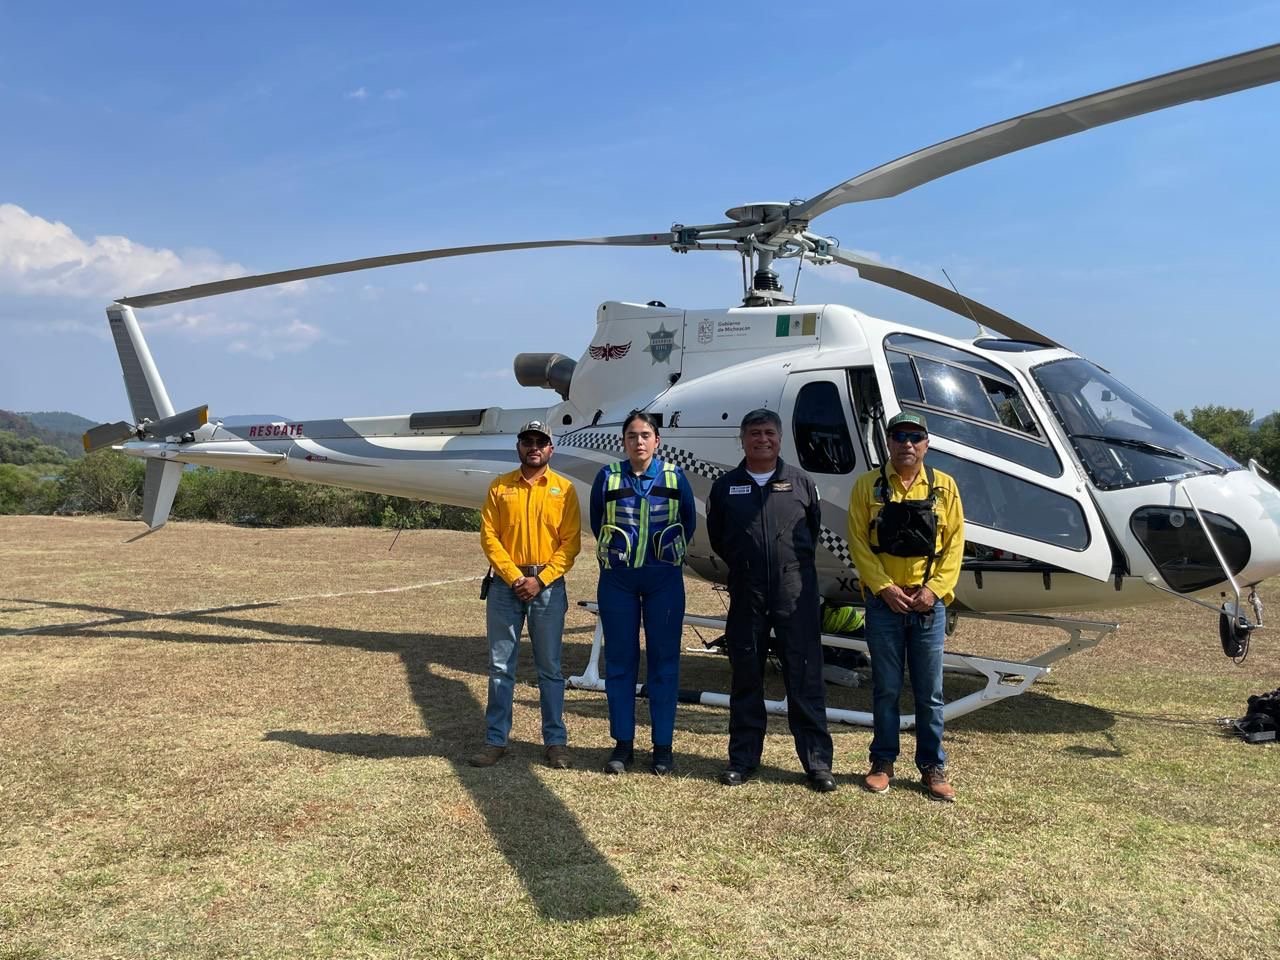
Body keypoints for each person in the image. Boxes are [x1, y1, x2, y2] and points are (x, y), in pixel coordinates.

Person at [707, 409, 836, 792]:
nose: (762, 439)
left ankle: (817, 764)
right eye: (754, 433)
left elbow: (811, 529)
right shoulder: (726, 486)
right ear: (742, 439)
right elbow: (719, 537)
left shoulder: (801, 482)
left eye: (769, 433)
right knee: (746, 675)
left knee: (805, 675)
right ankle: (742, 760)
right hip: (748, 590)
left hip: (795, 590)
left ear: (779, 438)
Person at [847, 411, 964, 802]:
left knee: (930, 691)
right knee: (886, 688)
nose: (907, 444)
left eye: (915, 437)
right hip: (885, 605)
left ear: (927, 444)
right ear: (888, 442)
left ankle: (932, 766)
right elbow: (858, 542)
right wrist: (883, 588)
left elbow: (955, 545)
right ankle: (882, 762)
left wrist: (934, 590)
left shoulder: (945, 487)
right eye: (899, 437)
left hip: (928, 605)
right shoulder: (867, 486)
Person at [469, 419, 582, 769]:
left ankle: (555, 742)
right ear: (518, 446)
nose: (534, 447)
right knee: (500, 666)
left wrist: (541, 579)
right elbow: (490, 537)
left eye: (540, 442)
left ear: (551, 448)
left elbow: (570, 543)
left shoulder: (564, 489)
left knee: (550, 668)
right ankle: (495, 740)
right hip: (506, 587)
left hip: (547, 588)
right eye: (528, 441)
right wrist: (515, 577)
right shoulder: (499, 487)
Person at [590, 410, 697, 775]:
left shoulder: (674, 476)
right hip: (617, 579)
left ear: (657, 440)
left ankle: (662, 747)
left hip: (663, 578)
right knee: (620, 661)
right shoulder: (607, 477)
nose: (639, 441)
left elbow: (688, 521)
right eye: (632, 435)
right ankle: (623, 744)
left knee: (664, 662)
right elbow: (598, 521)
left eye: (645, 435)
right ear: (623, 441)